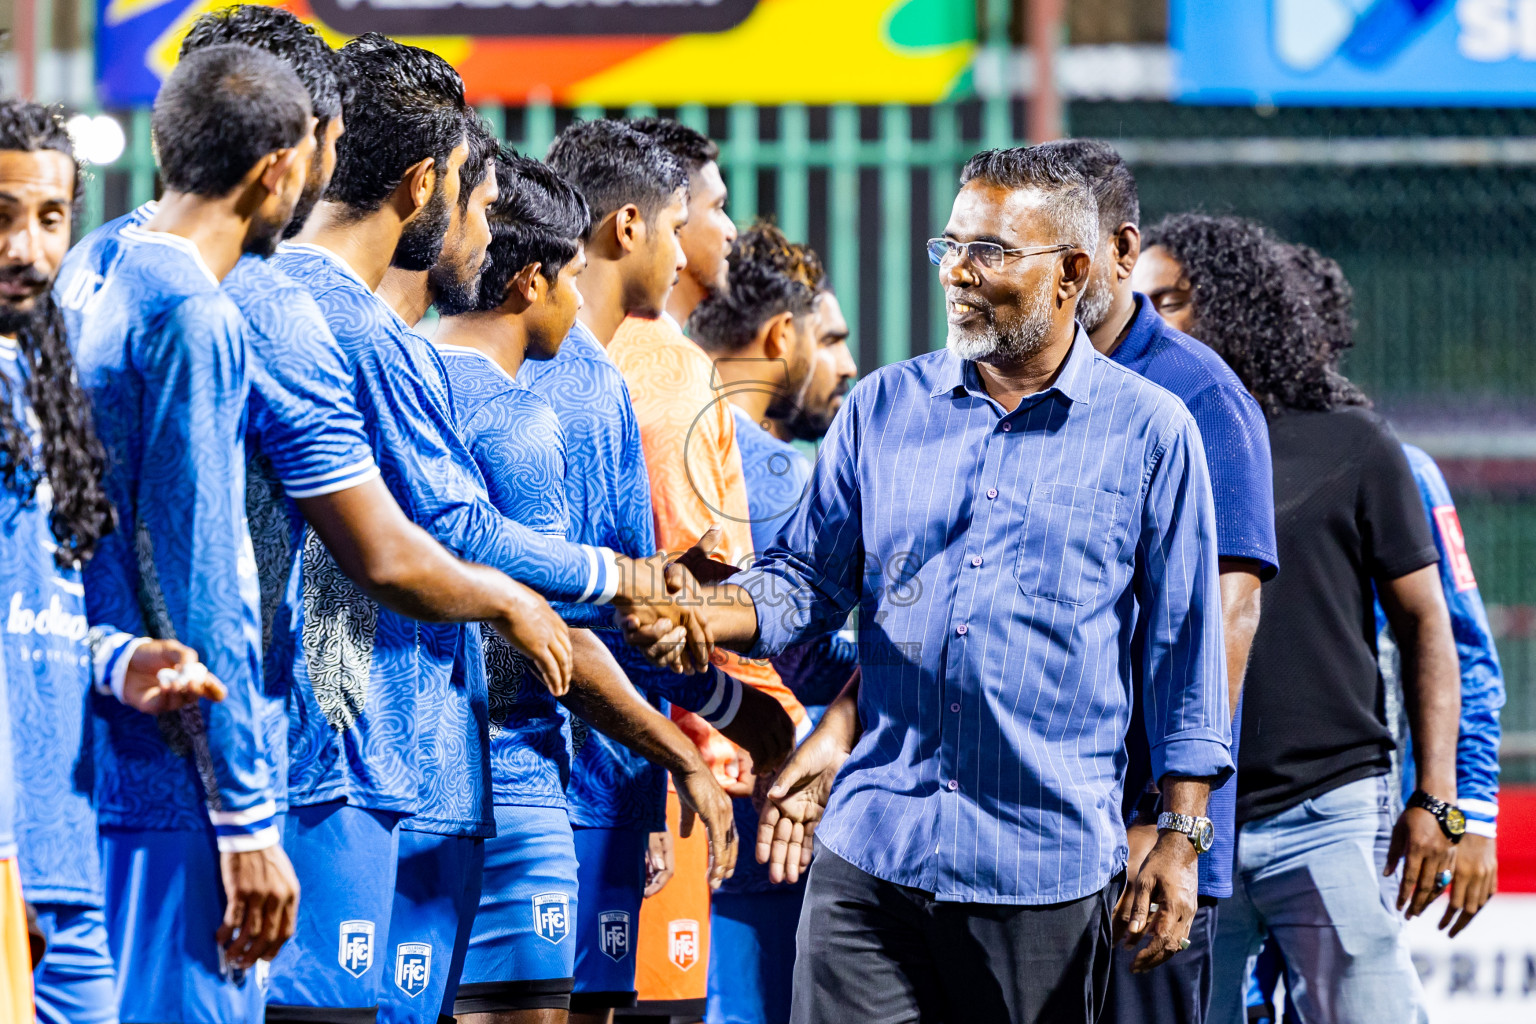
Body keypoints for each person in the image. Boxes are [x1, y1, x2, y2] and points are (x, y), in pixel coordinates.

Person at [625, 147, 1233, 1024]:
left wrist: (1182, 835)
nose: (957, 270)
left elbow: (1186, 650)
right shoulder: (882, 411)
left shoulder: (1153, 432)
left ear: (1072, 273)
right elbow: (806, 580)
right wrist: (709, 613)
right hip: (871, 855)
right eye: (950, 245)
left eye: (990, 251)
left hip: (1043, 872)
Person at [428, 149, 746, 1024]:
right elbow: (581, 621)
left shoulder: (406, 362)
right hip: (540, 783)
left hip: (434, 781)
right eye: (683, 221)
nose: (696, 243)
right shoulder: (550, 403)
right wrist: (675, 757)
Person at [1133, 214, 1462, 1024]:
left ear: (1237, 305)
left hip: (1325, 808)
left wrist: (1439, 799)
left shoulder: (1354, 442)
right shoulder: (1138, 440)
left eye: (1167, 301)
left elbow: (1429, 624)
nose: (1145, 321)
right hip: (1180, 820)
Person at [524, 118, 793, 1024]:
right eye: (687, 221)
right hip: (578, 773)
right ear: (629, 226)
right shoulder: (642, 375)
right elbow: (609, 607)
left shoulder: (578, 370)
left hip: (602, 766)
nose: (693, 247)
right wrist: (719, 726)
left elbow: (632, 599)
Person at [69, 45, 314, 1023]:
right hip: (172, 784)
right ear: (276, 170)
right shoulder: (192, 314)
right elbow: (202, 571)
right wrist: (245, 817)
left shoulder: (93, 273)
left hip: (93, 751)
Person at [1034, 139, 1278, 1024]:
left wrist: (1175, 823)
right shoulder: (1021, 383)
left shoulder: (1198, 396)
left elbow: (1229, 613)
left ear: (1122, 251)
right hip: (1030, 835)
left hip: (1141, 836)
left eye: (1067, 249)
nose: (1046, 273)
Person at [0, 98, 228, 1024]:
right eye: (3, 216)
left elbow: (32, 603)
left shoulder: (43, 383)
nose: (27, 248)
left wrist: (117, 660)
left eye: (51, 218)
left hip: (63, 845)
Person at [597, 117, 810, 1022]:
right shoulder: (670, 373)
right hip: (678, 764)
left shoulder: (569, 354)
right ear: (652, 222)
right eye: (711, 208)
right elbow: (685, 597)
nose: (725, 230)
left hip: (627, 754)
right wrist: (756, 724)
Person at [689, 224, 857, 1024]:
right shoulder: (782, 475)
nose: (847, 366)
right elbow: (802, 651)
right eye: (832, 339)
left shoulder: (653, 417)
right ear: (782, 336)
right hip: (759, 828)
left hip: (649, 809)